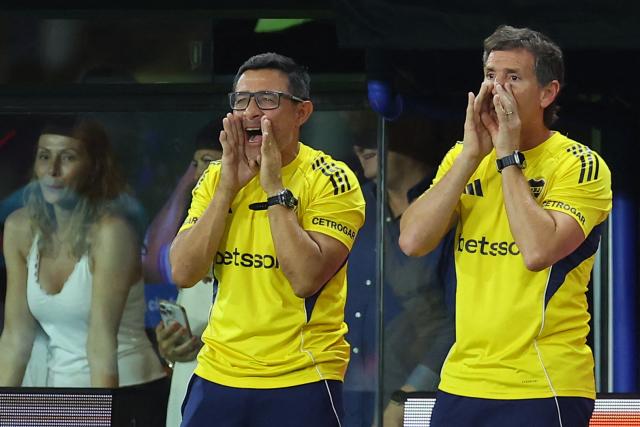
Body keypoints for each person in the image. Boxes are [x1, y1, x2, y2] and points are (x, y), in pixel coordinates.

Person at [399, 25, 612, 427]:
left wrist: (507, 156)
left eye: (513, 78)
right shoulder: (463, 157)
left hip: (543, 382)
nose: (497, 89)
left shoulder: (579, 164)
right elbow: (411, 241)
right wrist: (469, 156)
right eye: (490, 76)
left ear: (547, 93)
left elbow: (537, 251)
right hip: (462, 379)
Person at [170, 52, 366, 427]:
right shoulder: (216, 177)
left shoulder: (331, 179)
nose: (250, 112)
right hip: (218, 372)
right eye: (241, 100)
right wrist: (227, 188)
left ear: (302, 113)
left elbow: (305, 279)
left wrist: (274, 187)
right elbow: (182, 271)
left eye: (267, 100)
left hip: (301, 374)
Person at [0, 116, 168, 422]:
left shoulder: (111, 233)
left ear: (93, 168)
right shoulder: (20, 228)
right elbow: (16, 335)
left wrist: (97, 416)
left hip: (124, 390)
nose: (52, 170)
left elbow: (101, 339)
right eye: (44, 156)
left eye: (67, 157)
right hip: (61, 394)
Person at [344, 114, 456, 427]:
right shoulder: (350, 205)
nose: (359, 146)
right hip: (346, 395)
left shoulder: (452, 205)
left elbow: (459, 319)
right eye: (357, 137)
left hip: (426, 398)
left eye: (371, 133)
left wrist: (410, 394)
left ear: (413, 130)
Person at [143, 121, 223, 427]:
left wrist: (209, 343)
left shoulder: (257, 233)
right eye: (194, 163)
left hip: (229, 388)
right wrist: (169, 348)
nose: (197, 174)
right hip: (187, 385)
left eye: (208, 162)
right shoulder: (189, 230)